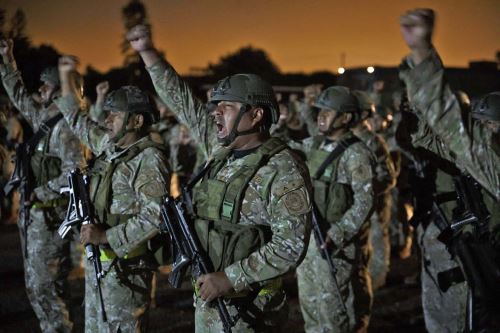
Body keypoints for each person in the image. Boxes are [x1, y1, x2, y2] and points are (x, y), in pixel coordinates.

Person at [128, 24, 312, 332]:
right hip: (210, 300)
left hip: (251, 308)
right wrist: (147, 52)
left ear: (256, 115)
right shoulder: (219, 150)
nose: (215, 114)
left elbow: (290, 246)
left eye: (226, 107)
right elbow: (181, 101)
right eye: (216, 107)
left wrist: (229, 278)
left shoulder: (282, 168)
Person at [56, 56, 170, 332]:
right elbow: (76, 119)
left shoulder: (149, 160)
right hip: (101, 268)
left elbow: (155, 217)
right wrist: (65, 76)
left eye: (114, 115)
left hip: (126, 273)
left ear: (136, 120)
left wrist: (106, 236)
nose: (106, 119)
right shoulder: (110, 146)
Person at [0, 38, 85, 333]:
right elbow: (18, 95)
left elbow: (75, 174)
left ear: (61, 91)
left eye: (46, 86)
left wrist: (40, 192)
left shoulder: (66, 129)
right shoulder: (45, 119)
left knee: (46, 289)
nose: (40, 91)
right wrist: (8, 59)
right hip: (36, 216)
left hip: (50, 217)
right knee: (41, 289)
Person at [290, 86, 375, 332]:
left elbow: (365, 201)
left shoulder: (356, 153)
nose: (320, 116)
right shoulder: (314, 144)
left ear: (346, 117)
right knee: (311, 311)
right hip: (310, 245)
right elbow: (286, 146)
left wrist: (338, 233)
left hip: (333, 245)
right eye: (319, 111)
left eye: (328, 112)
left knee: (334, 315)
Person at [399, 8, 500, 200]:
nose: (483, 129)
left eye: (489, 123)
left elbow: (454, 125)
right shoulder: (488, 157)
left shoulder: (491, 159)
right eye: (478, 123)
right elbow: (447, 133)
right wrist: (416, 116)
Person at [352, 90, 396, 290]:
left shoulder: (372, 141)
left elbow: (388, 177)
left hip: (375, 204)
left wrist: (366, 192)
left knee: (377, 240)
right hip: (356, 206)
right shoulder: (347, 139)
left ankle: (378, 279)